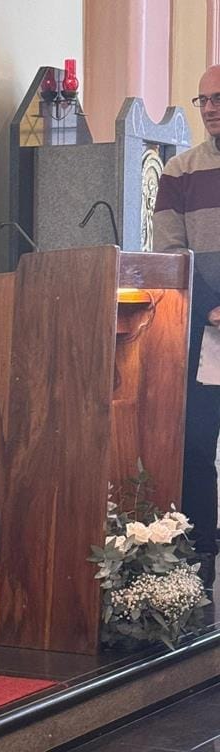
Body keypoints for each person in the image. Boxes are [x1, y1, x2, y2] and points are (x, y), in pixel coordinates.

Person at [152, 64, 220, 594]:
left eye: (218, 98)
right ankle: (200, 565)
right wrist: (211, 308)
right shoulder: (179, 171)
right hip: (205, 334)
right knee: (195, 449)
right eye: (204, 100)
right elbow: (170, 252)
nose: (211, 108)